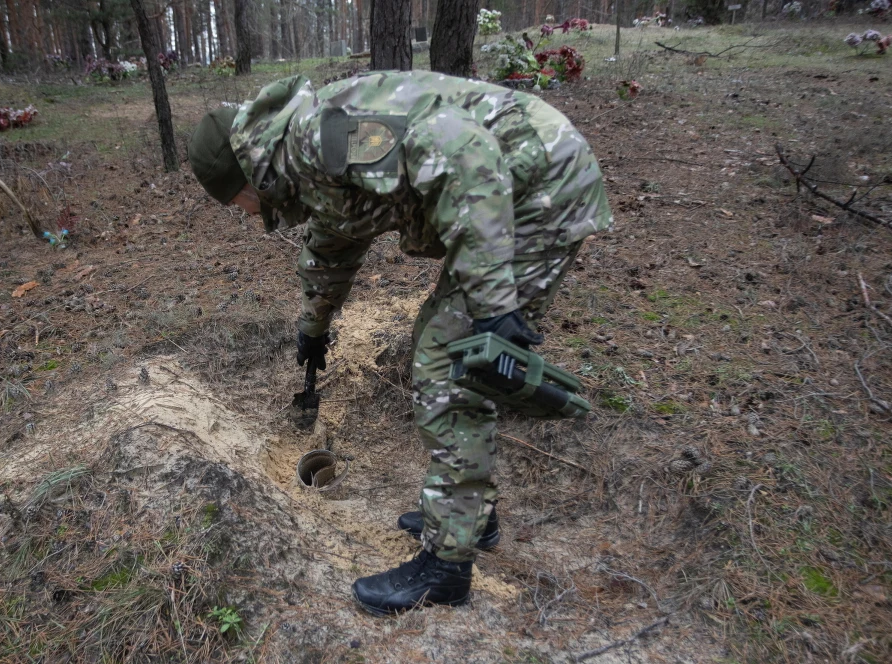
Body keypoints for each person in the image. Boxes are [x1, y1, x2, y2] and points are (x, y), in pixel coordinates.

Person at [187, 71, 612, 615]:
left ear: (246, 178)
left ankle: (445, 567)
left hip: (537, 187)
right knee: (441, 344)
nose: (246, 215)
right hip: (508, 187)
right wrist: (314, 326)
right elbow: (334, 239)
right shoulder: (300, 161)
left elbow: (461, 149)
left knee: (448, 368)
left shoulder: (319, 137)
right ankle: (470, 518)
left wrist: (493, 305)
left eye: (235, 204)